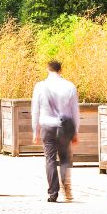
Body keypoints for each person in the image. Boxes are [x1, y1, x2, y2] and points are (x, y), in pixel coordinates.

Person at [31, 61, 79, 203]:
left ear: (47, 69)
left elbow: (35, 110)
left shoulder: (40, 86)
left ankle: (53, 193)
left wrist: (35, 131)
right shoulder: (70, 86)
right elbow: (74, 111)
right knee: (65, 158)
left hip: (47, 126)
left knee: (50, 159)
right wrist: (76, 131)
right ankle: (66, 187)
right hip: (64, 127)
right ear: (60, 70)